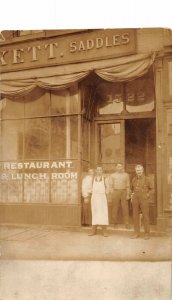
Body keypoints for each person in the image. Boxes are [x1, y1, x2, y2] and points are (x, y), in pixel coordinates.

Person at [130, 164, 152, 240]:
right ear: (135, 171)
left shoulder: (147, 179)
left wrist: (147, 195)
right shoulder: (134, 179)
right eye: (137, 170)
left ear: (142, 170)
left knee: (145, 216)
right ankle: (136, 233)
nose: (138, 172)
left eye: (140, 170)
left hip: (144, 198)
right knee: (135, 216)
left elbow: (152, 189)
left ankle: (147, 233)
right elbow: (131, 189)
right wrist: (132, 195)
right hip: (135, 198)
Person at [89, 166, 109, 237]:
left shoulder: (105, 178)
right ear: (96, 171)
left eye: (100, 170)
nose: (99, 171)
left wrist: (106, 195)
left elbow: (107, 188)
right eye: (97, 170)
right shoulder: (93, 179)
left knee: (103, 213)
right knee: (95, 213)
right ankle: (94, 230)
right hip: (94, 197)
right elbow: (91, 188)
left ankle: (104, 231)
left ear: (102, 171)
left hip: (102, 198)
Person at [110, 163, 130, 229]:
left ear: (122, 167)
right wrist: (112, 193)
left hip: (123, 192)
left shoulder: (126, 175)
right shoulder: (112, 175)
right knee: (115, 208)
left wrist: (127, 194)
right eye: (118, 166)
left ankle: (126, 223)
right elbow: (111, 185)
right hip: (116, 192)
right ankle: (115, 223)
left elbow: (128, 185)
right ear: (116, 167)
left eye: (121, 166)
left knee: (125, 208)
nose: (120, 168)